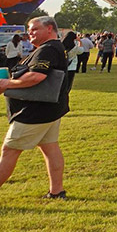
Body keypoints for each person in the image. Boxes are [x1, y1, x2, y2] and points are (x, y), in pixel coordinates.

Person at [0, 16, 71, 198]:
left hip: (34, 113)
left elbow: (36, 77)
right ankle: (57, 191)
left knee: (9, 151)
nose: (29, 33)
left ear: (49, 29)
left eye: (34, 29)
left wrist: (7, 83)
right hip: (51, 109)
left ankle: (57, 191)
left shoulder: (47, 50)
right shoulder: (56, 47)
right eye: (29, 30)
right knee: (50, 147)